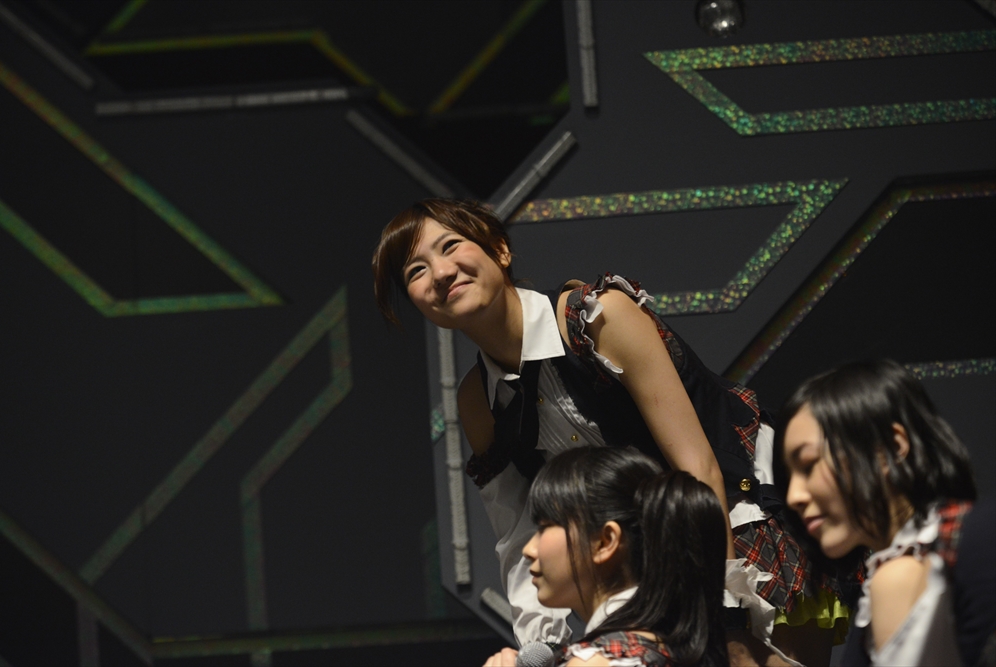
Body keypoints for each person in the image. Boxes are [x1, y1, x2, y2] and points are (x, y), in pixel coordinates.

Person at [372, 198, 855, 665]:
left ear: (499, 248)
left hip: (742, 514)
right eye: (416, 271)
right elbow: (521, 532)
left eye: (451, 245)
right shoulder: (478, 402)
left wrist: (724, 612)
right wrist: (541, 651)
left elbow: (698, 468)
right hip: (656, 565)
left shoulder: (596, 317)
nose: (441, 272)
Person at [776, 359, 995, 666]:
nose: (794, 496)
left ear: (891, 447)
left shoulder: (981, 537)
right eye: (789, 477)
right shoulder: (877, 585)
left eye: (810, 464)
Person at [483, 446, 728, 667]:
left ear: (605, 542)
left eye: (545, 527)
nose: (529, 550)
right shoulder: (669, 648)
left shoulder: (596, 662)